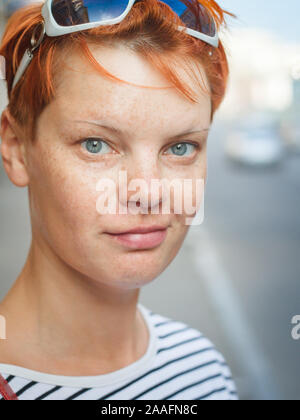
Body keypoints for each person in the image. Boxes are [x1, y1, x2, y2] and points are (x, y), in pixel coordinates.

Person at [0, 0, 238, 400]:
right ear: (17, 148)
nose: (148, 192)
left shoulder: (203, 367)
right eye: (96, 145)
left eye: (180, 147)